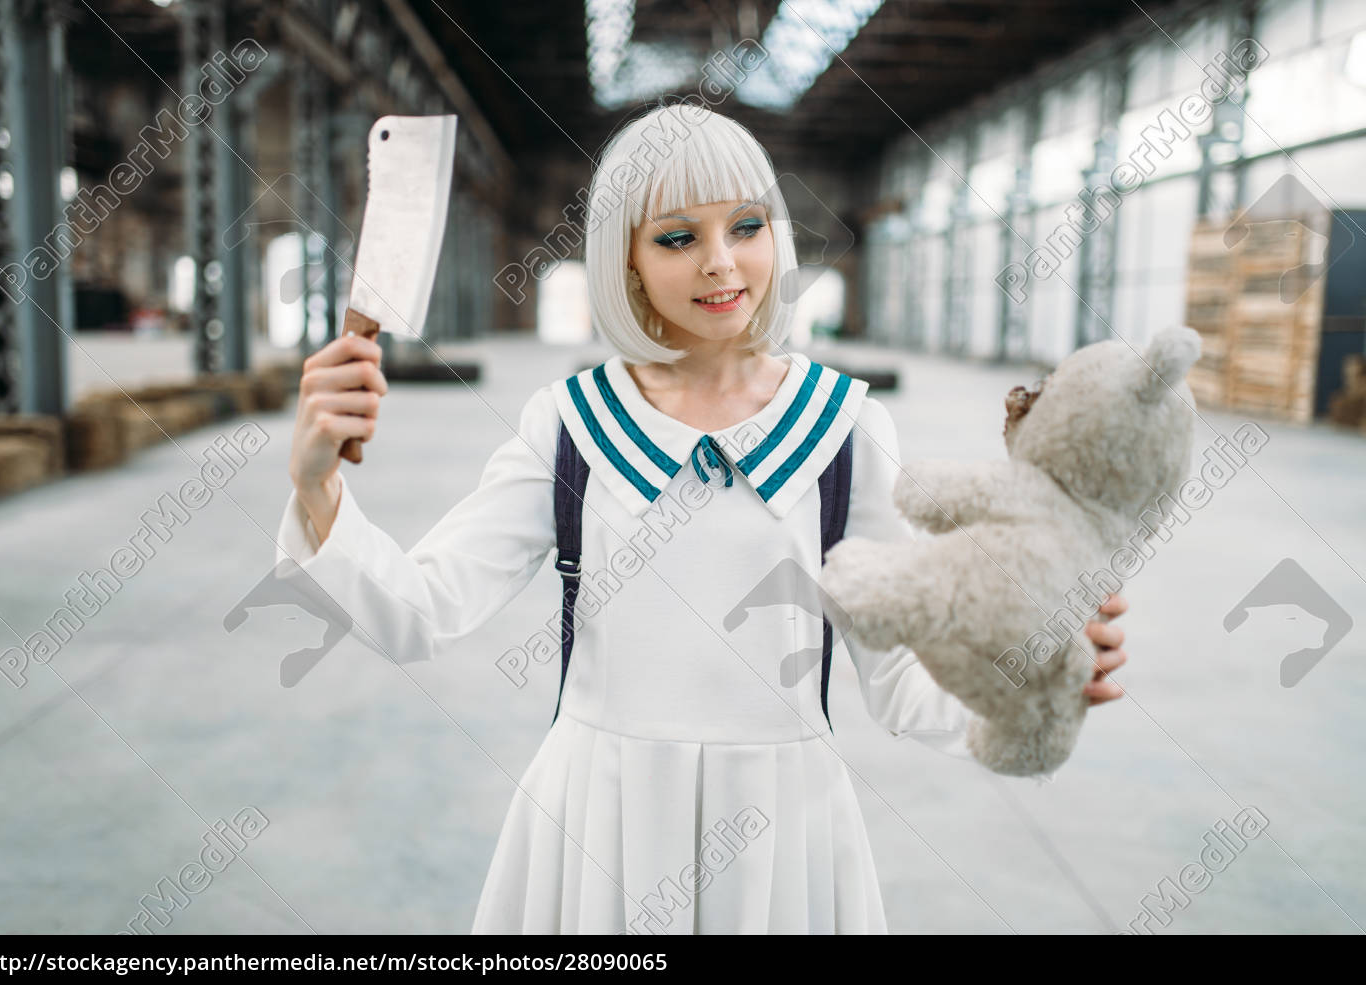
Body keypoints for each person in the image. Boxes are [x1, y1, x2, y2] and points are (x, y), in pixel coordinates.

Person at [277, 103, 1129, 934]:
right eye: (678, 237)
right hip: (596, 821)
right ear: (628, 261)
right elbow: (420, 611)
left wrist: (1034, 668)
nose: (722, 264)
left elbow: (902, 678)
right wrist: (318, 488)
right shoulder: (570, 425)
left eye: (747, 226)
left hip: (784, 834)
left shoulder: (844, 430)